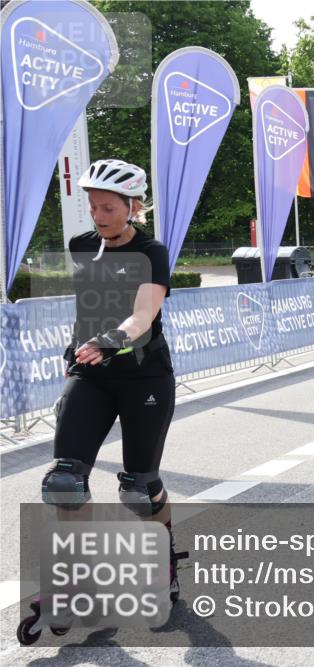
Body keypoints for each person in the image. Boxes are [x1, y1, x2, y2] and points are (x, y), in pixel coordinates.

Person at [41, 159, 184, 600]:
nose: (99, 216)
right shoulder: (82, 243)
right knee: (65, 483)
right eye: (93, 207)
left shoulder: (152, 252)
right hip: (94, 375)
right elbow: (90, 304)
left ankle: (163, 562)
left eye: (108, 207)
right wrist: (76, 347)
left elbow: (143, 315)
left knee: (140, 488)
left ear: (133, 206)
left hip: (144, 378)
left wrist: (107, 341)